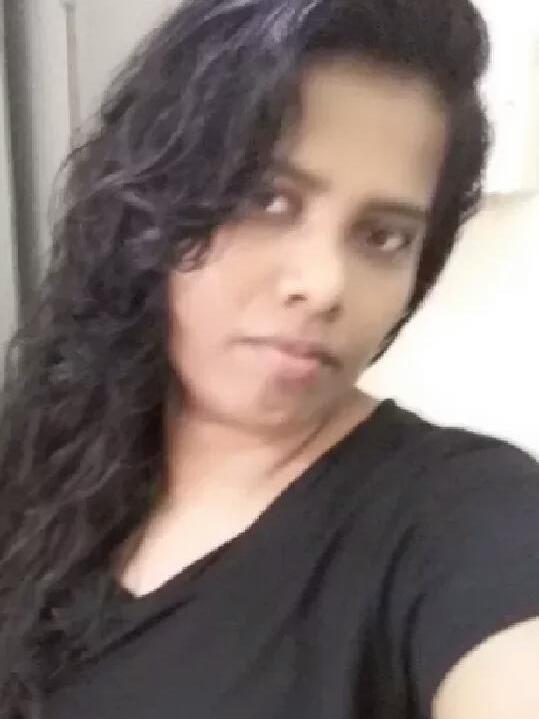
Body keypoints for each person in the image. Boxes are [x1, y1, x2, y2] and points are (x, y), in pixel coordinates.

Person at [1, 0, 539, 717]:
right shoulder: (44, 460)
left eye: (382, 236)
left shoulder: (462, 514)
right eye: (268, 200)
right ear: (154, 203)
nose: (324, 285)